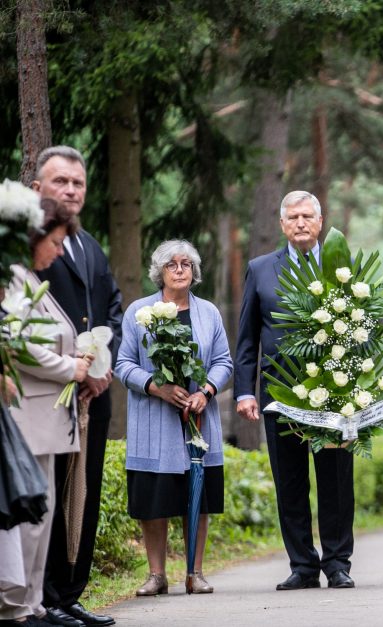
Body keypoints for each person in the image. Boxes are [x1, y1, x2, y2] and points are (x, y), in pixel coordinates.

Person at [235, 191, 356, 590]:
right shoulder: (261, 268)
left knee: (336, 480)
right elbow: (248, 337)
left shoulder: (343, 266)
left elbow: (361, 330)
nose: (301, 223)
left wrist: (359, 391)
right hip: (280, 393)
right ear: (282, 225)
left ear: (320, 222)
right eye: (293, 217)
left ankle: (337, 563)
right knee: (290, 481)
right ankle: (303, 565)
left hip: (334, 395)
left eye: (307, 216)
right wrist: (244, 391)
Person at [32, 146, 122, 627]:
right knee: (49, 492)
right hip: (50, 391)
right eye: (60, 182)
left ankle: (71, 593)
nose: (71, 191)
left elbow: (113, 308)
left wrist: (102, 368)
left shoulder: (91, 246)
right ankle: (41, 597)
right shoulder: (27, 247)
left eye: (78, 183)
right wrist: (73, 368)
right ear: (37, 189)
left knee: (83, 494)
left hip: (93, 393)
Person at [114, 240, 233, 596]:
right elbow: (123, 364)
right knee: (156, 499)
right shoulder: (139, 311)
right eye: (172, 265)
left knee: (198, 494)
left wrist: (206, 391)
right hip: (155, 420)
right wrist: (156, 387)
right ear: (160, 272)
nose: (180, 270)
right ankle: (156, 575)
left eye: (186, 264)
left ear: (194, 272)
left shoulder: (209, 313)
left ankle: (195, 573)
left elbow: (224, 362)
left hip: (198, 418)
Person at [0, 200, 90, 624]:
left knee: (45, 513)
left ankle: (32, 603)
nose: (57, 252)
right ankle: (17, 605)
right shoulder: (15, 279)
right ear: (34, 238)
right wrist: (68, 367)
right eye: (54, 242)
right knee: (30, 517)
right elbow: (19, 344)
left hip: (49, 418)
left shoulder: (31, 278)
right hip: (29, 414)